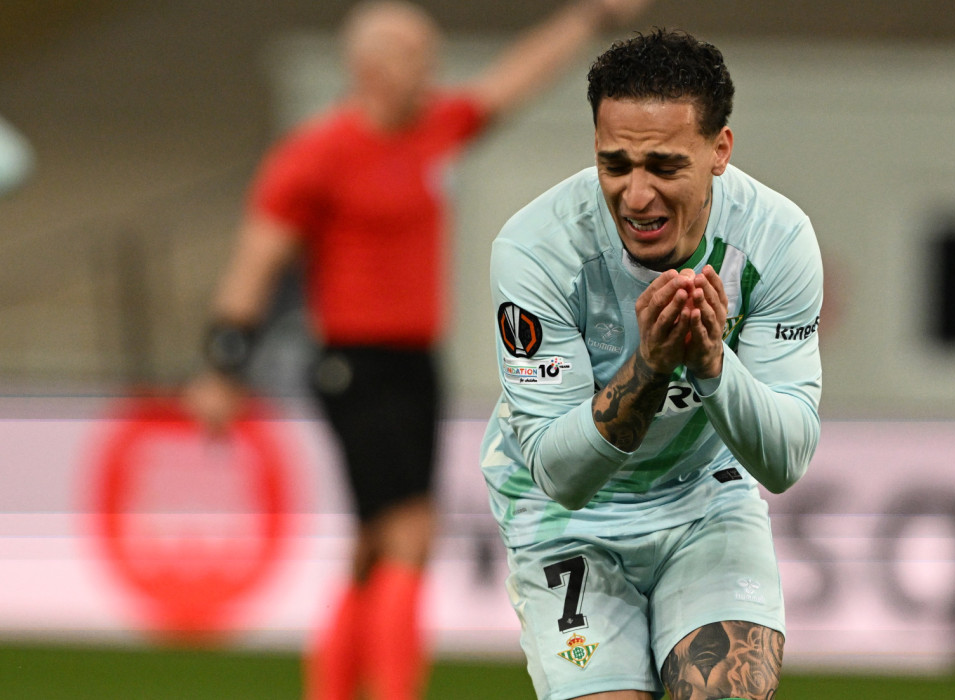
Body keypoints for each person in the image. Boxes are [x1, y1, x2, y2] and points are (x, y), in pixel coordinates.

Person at [186, 1, 652, 698]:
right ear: (368, 67)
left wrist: (587, 18)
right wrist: (224, 368)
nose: (430, 70)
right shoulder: (316, 154)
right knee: (409, 532)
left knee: (376, 543)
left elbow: (513, 79)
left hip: (414, 365)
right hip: (353, 363)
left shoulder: (434, 130)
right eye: (415, 56)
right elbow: (256, 261)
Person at [482, 28, 823, 700]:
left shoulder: (775, 239)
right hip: (565, 523)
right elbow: (560, 474)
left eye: (664, 167)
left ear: (720, 150)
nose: (636, 196)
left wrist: (711, 363)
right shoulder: (537, 248)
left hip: (703, 499)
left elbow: (785, 461)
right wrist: (651, 365)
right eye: (616, 165)